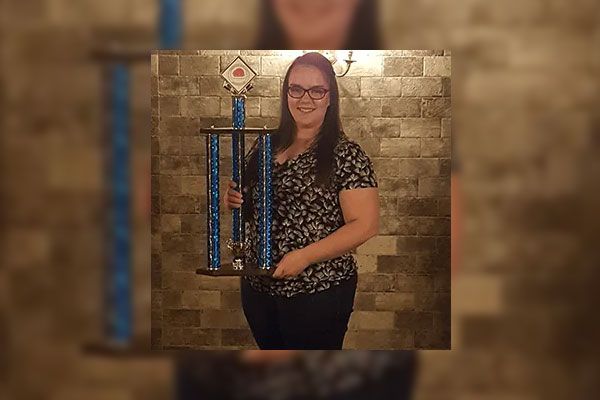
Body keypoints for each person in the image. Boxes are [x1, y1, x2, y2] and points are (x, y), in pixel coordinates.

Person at [224, 52, 379, 350]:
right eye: (296, 89)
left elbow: (366, 225)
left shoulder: (345, 154)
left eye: (316, 90)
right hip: (259, 286)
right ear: (286, 94)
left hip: (317, 291)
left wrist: (304, 256)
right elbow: (251, 205)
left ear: (330, 97)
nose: (305, 98)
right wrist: (234, 200)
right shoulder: (266, 144)